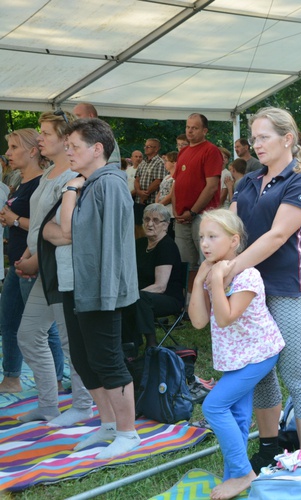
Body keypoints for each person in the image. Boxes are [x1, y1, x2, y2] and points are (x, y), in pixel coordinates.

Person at [229, 107, 301, 472]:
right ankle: (269, 446)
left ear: (287, 139)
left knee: (294, 369)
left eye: (264, 136)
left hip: (285, 287)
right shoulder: (246, 182)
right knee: (261, 370)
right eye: (254, 137)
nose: (256, 143)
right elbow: (233, 231)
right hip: (250, 288)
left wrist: (232, 267)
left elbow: (279, 234)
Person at [59, 118, 140, 459]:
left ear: (97, 149)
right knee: (83, 358)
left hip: (102, 290)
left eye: (74, 146)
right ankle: (108, 425)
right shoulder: (91, 184)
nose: (68, 152)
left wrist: (107, 293)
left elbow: (113, 244)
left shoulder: (110, 183)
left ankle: (128, 433)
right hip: (82, 287)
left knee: (108, 360)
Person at [189, 209, 284, 500]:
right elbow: (198, 321)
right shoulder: (211, 272)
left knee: (214, 407)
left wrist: (216, 282)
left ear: (234, 240)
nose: (204, 243)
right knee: (239, 416)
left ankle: (243, 473)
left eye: (212, 237)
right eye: (202, 237)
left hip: (258, 354)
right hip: (235, 357)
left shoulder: (248, 276)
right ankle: (235, 476)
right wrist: (198, 282)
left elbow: (226, 317)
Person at [16, 112, 95, 425]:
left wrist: (35, 257)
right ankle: (48, 404)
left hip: (63, 268)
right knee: (28, 334)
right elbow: (38, 222)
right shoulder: (50, 172)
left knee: (69, 339)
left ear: (65, 140)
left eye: (46, 133)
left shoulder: (71, 178)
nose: (40, 138)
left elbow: (65, 228)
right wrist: (28, 252)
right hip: (45, 266)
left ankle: (82, 405)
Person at [0, 129, 63, 395]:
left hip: (33, 263)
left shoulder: (41, 182)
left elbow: (43, 226)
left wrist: (13, 219)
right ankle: (12, 376)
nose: (8, 153)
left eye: (14, 147)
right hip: (17, 260)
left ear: (33, 151)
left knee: (42, 328)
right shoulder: (21, 181)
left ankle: (57, 380)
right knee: (9, 320)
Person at [122, 203, 184, 348]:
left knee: (138, 299)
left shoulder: (167, 246)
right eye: (146, 219)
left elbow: (160, 286)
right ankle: (129, 345)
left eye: (156, 220)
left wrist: (132, 294)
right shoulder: (140, 244)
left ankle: (151, 344)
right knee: (124, 298)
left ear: (166, 225)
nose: (150, 224)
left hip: (168, 298)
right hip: (144, 296)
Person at [173, 113, 223, 270]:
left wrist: (193, 212)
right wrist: (176, 211)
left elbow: (211, 186)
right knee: (185, 265)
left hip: (202, 216)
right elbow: (176, 183)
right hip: (181, 218)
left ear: (205, 131)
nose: (190, 131)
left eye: (194, 128)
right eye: (188, 127)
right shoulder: (183, 152)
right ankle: (190, 295)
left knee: (206, 263)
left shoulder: (211, 151)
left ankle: (208, 294)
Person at [134, 139, 165, 206]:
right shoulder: (143, 162)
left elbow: (158, 181)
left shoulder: (160, 163)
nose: (145, 148)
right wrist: (139, 192)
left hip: (151, 201)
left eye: (148, 147)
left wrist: (145, 194)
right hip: (138, 200)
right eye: (145, 146)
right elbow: (137, 179)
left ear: (156, 149)